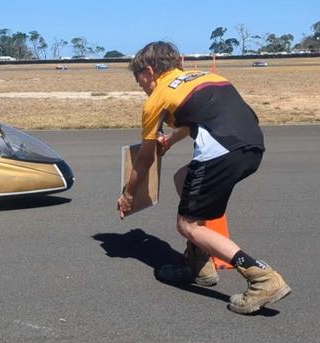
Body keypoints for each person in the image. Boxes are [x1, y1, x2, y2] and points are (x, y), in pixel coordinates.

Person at [117, 41, 291, 314]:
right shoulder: (208, 77)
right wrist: (173, 141)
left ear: (149, 71)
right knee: (182, 177)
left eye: (138, 78)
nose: (139, 85)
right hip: (252, 146)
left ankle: (262, 278)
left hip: (219, 152)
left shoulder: (157, 98)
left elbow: (145, 158)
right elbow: (202, 117)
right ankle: (200, 265)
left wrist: (128, 194)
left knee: (187, 225)